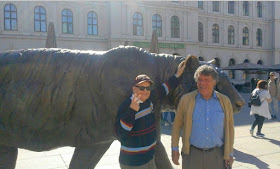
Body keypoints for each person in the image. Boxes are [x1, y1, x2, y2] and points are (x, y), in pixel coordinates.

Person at [114, 59, 186, 169]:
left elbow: (163, 89)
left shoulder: (149, 99)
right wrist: (132, 110)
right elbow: (121, 132)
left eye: (147, 88)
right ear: (134, 88)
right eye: (141, 88)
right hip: (133, 163)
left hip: (149, 158)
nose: (145, 91)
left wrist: (177, 74)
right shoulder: (126, 105)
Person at [171, 65, 234, 169]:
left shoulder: (224, 101)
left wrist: (230, 153)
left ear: (214, 81)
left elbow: (230, 129)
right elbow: (176, 126)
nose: (202, 83)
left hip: (217, 156)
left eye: (206, 80)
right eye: (199, 80)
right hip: (192, 155)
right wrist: (174, 148)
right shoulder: (186, 100)